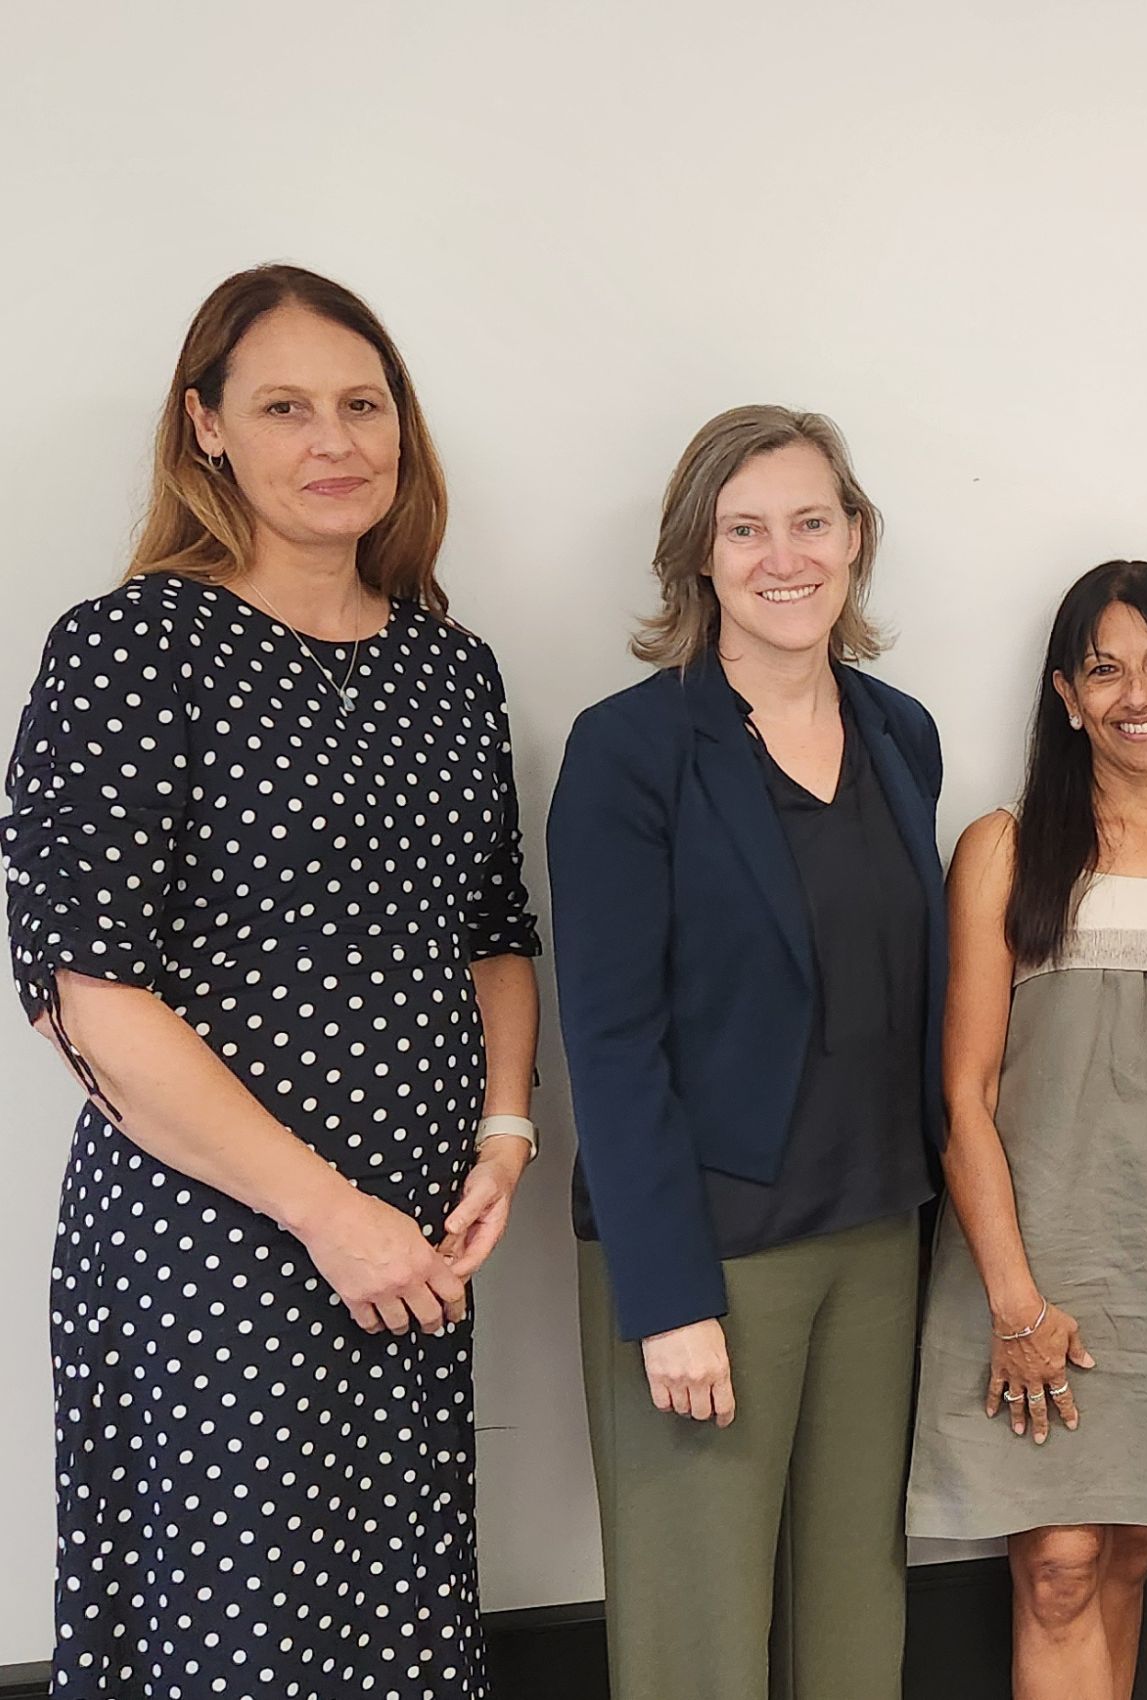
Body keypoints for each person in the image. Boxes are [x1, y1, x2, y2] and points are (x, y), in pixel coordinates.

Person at [2, 264, 543, 1699]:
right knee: (235, 1638)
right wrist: (327, 1213)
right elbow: (90, 997)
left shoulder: (452, 671)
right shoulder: (131, 650)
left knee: (402, 1621)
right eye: (286, 406)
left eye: (364, 405)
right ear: (208, 430)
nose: (336, 441)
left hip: (418, 1245)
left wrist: (503, 1132)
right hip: (215, 1243)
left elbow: (494, 930)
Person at [548, 406, 945, 1700]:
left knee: (853, 1634)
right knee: (698, 1645)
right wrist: (667, 1300)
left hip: (879, 1238)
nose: (786, 556)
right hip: (706, 1255)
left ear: (856, 538)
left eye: (812, 522)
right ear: (698, 557)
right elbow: (608, 1040)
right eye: (746, 528)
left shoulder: (900, 734)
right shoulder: (629, 750)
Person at [907, 560, 1147, 1700]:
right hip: (1034, 1267)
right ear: (1067, 695)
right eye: (1104, 668)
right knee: (1060, 1566)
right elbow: (964, 1097)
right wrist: (1015, 1301)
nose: (1138, 692)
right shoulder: (1002, 847)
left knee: (1130, 1548)